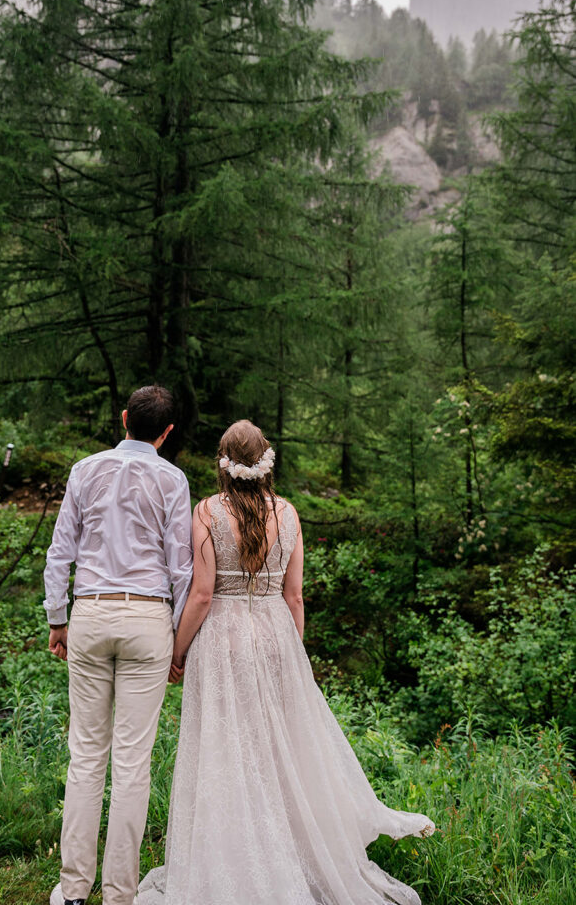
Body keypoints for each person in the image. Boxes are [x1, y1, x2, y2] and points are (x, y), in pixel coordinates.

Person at [135, 419, 434, 905]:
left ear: (223, 462)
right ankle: (293, 850)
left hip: (224, 641)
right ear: (267, 460)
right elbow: (294, 597)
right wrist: (295, 653)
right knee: (279, 751)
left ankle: (235, 858)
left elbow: (204, 594)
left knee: (226, 752)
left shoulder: (208, 511)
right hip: (275, 634)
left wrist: (177, 649)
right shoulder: (290, 514)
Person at [44, 385, 193, 905]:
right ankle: (121, 895)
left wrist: (57, 618)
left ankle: (72, 890)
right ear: (167, 432)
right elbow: (182, 568)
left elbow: (60, 550)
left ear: (124, 418)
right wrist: (178, 642)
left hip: (90, 611)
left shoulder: (84, 470)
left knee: (86, 756)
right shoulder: (173, 479)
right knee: (133, 763)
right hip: (149, 618)